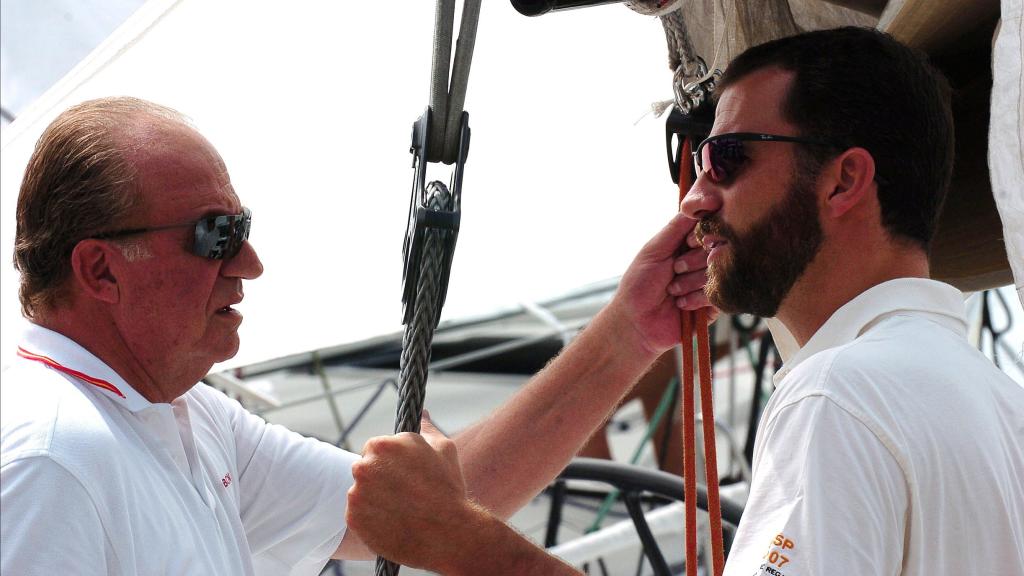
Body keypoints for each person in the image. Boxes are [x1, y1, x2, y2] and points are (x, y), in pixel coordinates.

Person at [344, 27, 1024, 575]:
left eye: (727, 158)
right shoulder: (1001, 406)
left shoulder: (838, 394)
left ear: (844, 179)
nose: (697, 196)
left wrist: (463, 542)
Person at [0, 97, 713, 574]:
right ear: (99, 269)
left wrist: (629, 334)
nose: (249, 263)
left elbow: (419, 511)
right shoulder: (52, 466)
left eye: (242, 230)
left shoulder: (181, 416)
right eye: (216, 235)